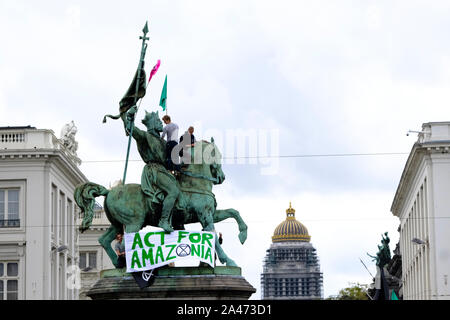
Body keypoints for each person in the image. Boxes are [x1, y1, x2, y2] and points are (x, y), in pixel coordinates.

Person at [121, 107, 184, 233]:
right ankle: (164, 220)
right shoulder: (145, 136)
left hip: (163, 170)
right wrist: (128, 117)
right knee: (173, 191)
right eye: (158, 121)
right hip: (153, 171)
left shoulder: (162, 141)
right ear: (153, 124)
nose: (161, 123)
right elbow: (131, 129)